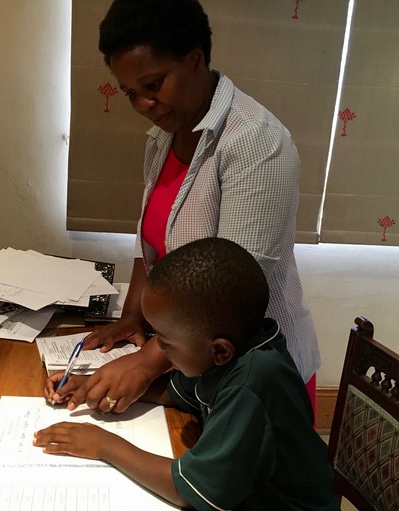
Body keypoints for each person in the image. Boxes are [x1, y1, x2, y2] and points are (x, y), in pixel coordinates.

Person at [65, 0, 320, 415]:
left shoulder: (256, 142)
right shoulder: (163, 138)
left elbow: (234, 288)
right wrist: (133, 317)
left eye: (154, 84)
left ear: (195, 59)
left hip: (252, 379)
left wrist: (146, 362)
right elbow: (151, 241)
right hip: (185, 363)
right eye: (131, 92)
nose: (144, 104)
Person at [35, 238, 338, 511]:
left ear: (219, 350)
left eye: (166, 343)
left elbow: (192, 491)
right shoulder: (234, 350)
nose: (160, 351)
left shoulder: (253, 382)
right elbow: (175, 393)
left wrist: (103, 445)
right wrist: (92, 387)